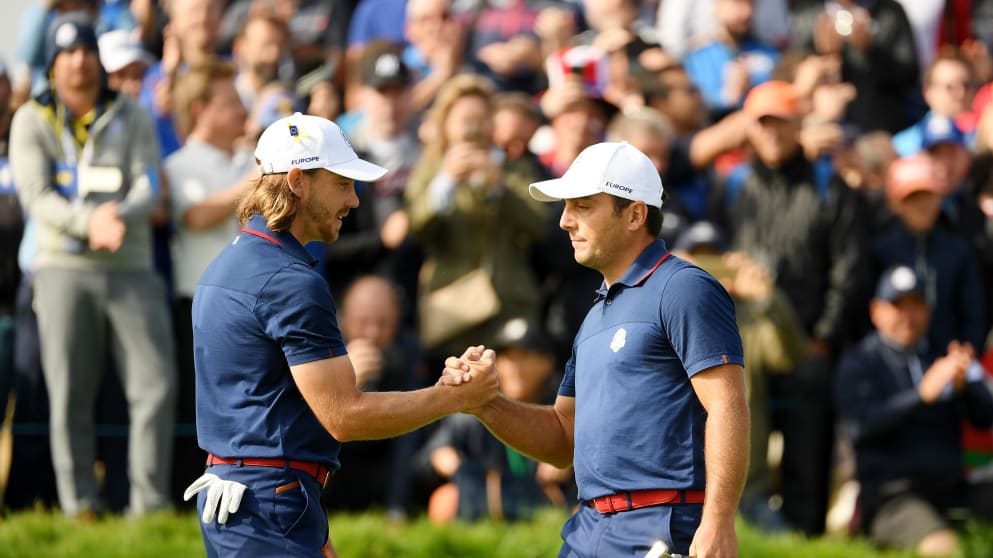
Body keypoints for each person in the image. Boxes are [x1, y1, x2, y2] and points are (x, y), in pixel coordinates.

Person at [184, 112, 498, 557]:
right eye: (342, 184)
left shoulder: (229, 262)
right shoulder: (289, 279)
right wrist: (454, 398)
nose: (353, 201)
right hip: (268, 504)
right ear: (297, 181)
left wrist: (305, 512)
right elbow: (346, 416)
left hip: (251, 501)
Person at [445, 141, 749, 557]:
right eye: (567, 208)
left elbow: (727, 405)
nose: (565, 221)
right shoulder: (595, 314)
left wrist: (718, 520)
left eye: (583, 207)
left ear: (636, 214)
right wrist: (485, 403)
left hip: (663, 527)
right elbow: (561, 439)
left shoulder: (684, 287)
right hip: (588, 530)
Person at [9, 12, 177, 518]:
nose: (79, 62)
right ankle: (79, 503)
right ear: (52, 64)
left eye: (86, 52)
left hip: (130, 264)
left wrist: (116, 216)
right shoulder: (31, 119)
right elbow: (35, 195)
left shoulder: (133, 114)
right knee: (69, 391)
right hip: (63, 268)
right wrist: (89, 224)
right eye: (67, 54)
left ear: (98, 62)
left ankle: (148, 504)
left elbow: (150, 182)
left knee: (156, 384)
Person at [835, 265, 993, 556]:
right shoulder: (860, 364)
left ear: (929, 311)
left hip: (951, 489)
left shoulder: (941, 357)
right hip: (892, 495)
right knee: (942, 548)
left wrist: (965, 387)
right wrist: (920, 397)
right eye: (898, 306)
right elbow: (860, 427)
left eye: (916, 306)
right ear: (876, 311)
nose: (908, 317)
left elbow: (985, 420)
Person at [164, 59, 254, 508]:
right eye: (231, 101)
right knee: (196, 411)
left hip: (251, 308)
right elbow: (197, 215)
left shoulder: (248, 162)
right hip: (197, 308)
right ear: (200, 108)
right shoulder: (179, 165)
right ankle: (186, 501)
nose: (242, 110)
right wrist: (255, 181)